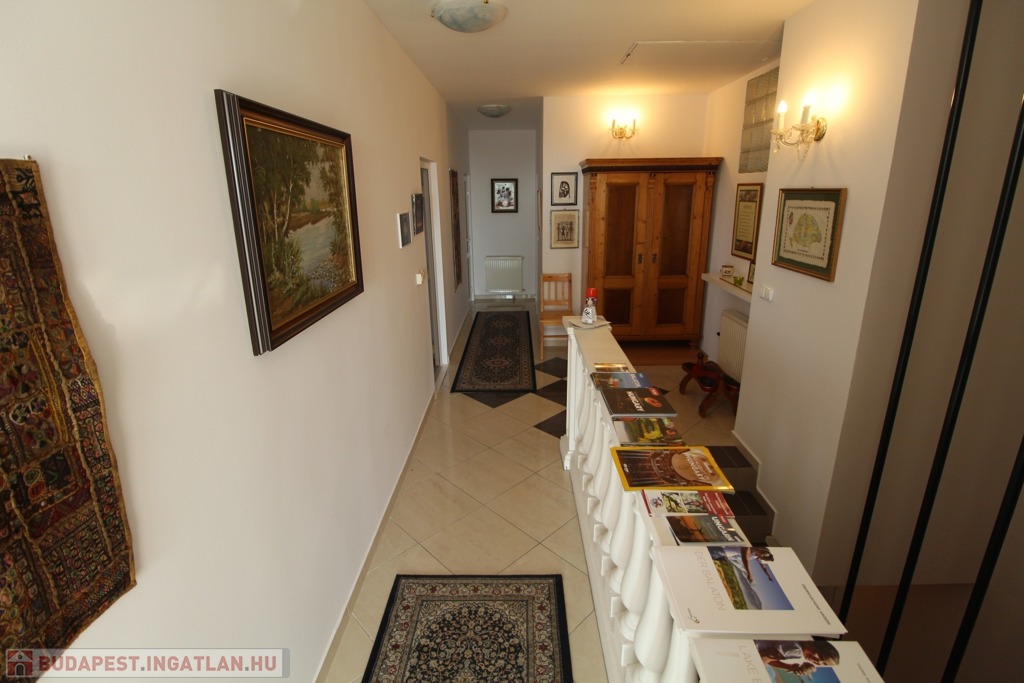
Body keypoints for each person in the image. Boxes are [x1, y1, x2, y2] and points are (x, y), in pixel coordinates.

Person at [755, 640, 840, 677]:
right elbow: (763, 658)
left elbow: (770, 660)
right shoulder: (796, 649)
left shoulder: (798, 643)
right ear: (816, 645)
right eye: (821, 656)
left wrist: (789, 666)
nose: (818, 662)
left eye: (824, 664)